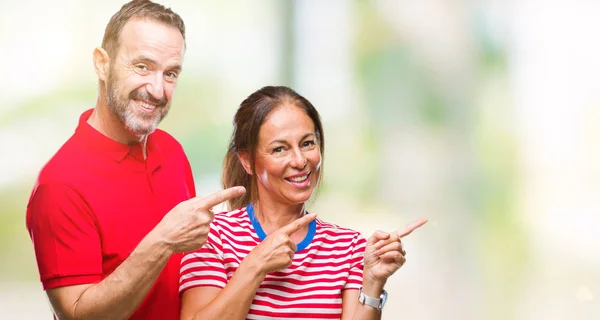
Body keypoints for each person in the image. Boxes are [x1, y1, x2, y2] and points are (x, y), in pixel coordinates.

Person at [25, 1, 245, 319]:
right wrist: (163, 240)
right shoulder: (59, 184)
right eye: (142, 67)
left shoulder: (172, 151)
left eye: (170, 73)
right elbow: (77, 315)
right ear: (102, 64)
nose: (157, 89)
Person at [179, 86, 427, 320]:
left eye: (307, 143)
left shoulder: (349, 247)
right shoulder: (212, 237)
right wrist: (255, 266)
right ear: (247, 161)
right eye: (279, 149)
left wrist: (373, 281)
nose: (300, 161)